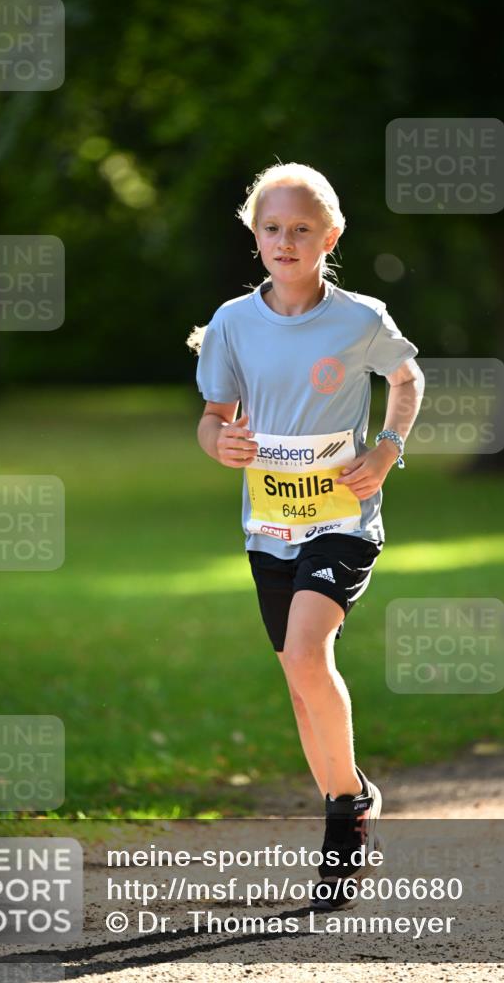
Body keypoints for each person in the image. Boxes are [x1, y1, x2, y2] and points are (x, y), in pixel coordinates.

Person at [189, 161, 424, 909]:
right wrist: (216, 443)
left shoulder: (359, 318)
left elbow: (408, 378)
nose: (284, 241)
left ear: (330, 237)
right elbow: (212, 417)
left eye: (300, 229)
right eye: (271, 228)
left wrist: (387, 447)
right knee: (298, 683)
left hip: (342, 519)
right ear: (253, 235)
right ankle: (347, 801)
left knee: (305, 651)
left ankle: (344, 821)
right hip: (268, 526)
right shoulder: (231, 322)